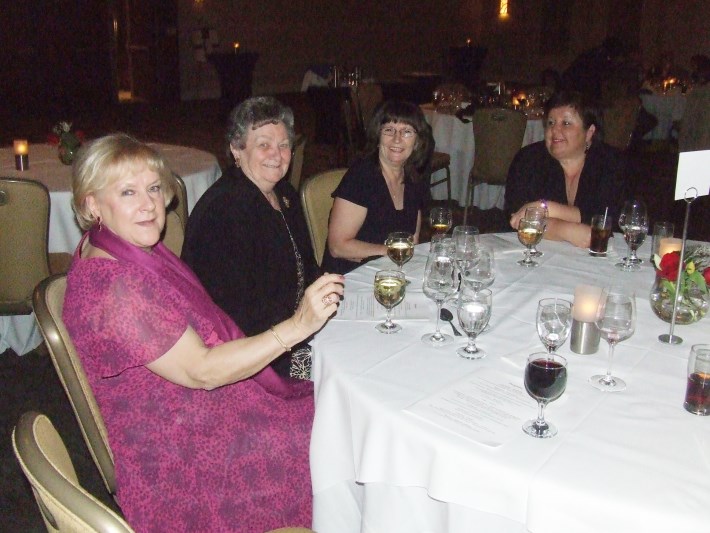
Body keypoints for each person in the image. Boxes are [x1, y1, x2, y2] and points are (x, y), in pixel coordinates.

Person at [62, 134, 344, 532]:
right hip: (181, 455)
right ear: (92, 204)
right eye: (128, 192)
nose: (149, 205)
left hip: (187, 411)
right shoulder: (117, 290)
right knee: (334, 433)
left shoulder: (116, 246)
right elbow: (202, 370)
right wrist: (297, 326)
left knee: (335, 411)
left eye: (154, 188)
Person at [182, 97, 319, 380]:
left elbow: (307, 268)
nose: (277, 155)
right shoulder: (223, 211)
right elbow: (231, 314)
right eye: (264, 145)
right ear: (237, 149)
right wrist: (298, 333)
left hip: (297, 332)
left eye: (284, 145)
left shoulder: (284, 195)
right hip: (255, 355)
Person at [322, 99, 434, 274]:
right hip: (351, 276)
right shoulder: (361, 177)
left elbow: (413, 241)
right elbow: (337, 247)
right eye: (389, 130)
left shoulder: (414, 180)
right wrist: (391, 252)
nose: (397, 139)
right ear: (377, 136)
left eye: (406, 132)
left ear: (418, 141)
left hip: (390, 273)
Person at [506, 91, 629, 249]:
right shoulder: (528, 159)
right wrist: (566, 230)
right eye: (551, 123)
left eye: (566, 123)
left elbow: (607, 219)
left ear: (589, 133)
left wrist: (544, 208)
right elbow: (517, 218)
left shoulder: (610, 162)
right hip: (541, 250)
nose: (555, 130)